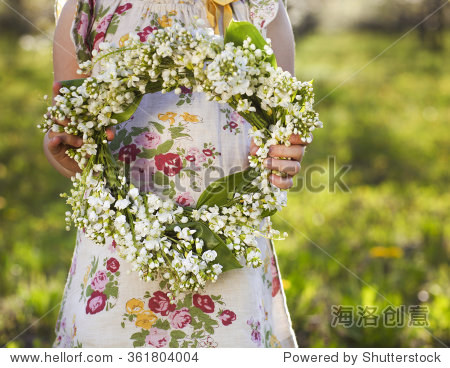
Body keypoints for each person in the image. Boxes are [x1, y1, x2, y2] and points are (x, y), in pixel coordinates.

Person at [45, 0, 309, 348]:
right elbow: (75, 141)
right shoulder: (88, 8)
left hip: (229, 258)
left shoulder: (256, 8)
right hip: (117, 260)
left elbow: (282, 132)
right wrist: (65, 150)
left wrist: (283, 157)